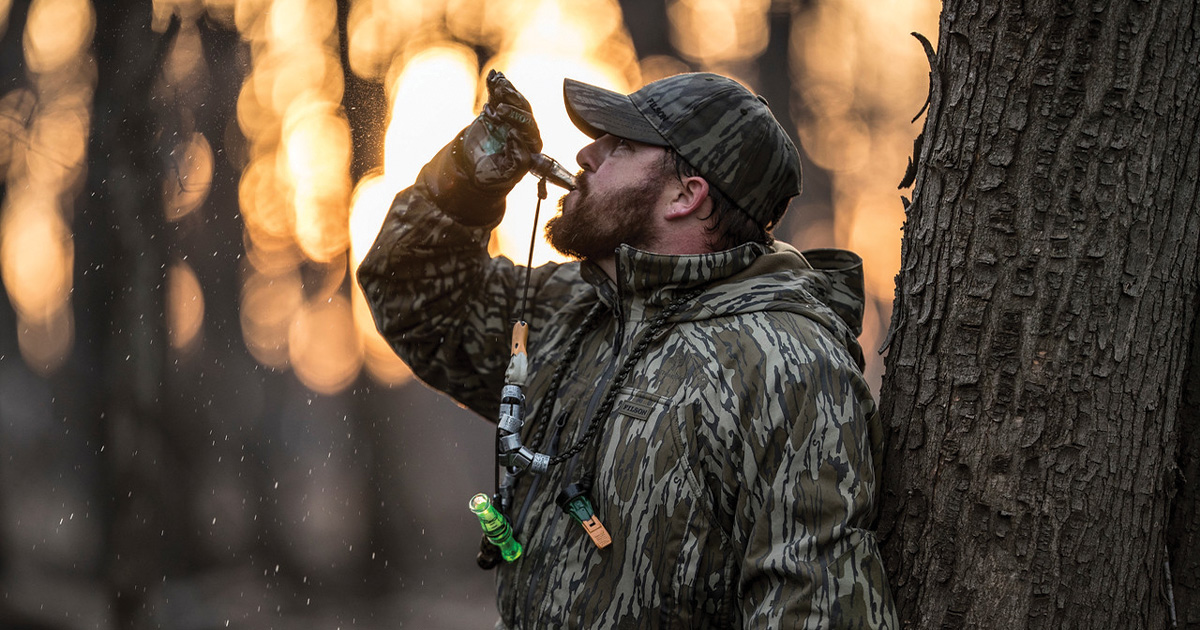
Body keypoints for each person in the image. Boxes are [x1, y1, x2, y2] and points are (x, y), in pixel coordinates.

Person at [358, 69, 898, 629]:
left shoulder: (786, 363)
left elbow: (814, 611)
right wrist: (468, 178)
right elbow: (413, 298)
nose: (586, 155)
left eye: (619, 146)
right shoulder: (576, 308)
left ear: (686, 196)